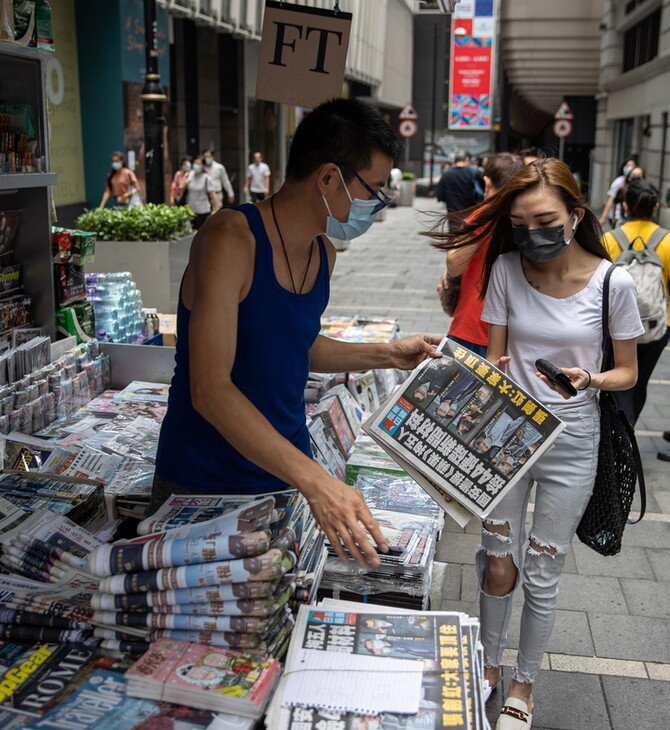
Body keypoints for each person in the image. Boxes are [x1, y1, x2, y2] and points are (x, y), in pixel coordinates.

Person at [152, 98, 442, 569]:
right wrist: (317, 481)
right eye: (374, 189)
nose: (379, 203)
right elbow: (209, 389)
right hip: (204, 484)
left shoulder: (323, 253)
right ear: (328, 178)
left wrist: (388, 353)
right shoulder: (231, 238)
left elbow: (298, 346)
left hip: (282, 475)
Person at [432, 158, 643, 729]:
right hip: (507, 435)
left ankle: (524, 681)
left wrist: (590, 380)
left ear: (575, 215)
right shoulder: (504, 267)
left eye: (545, 220)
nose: (533, 235)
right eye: (520, 225)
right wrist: (489, 373)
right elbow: (497, 351)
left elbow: (627, 372)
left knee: (543, 568)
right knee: (498, 563)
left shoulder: (612, 282)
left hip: (573, 438)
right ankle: (490, 665)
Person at [434, 152, 525, 356]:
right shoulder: (527, 218)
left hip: (474, 326)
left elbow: (454, 263)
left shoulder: (482, 217)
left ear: (487, 182)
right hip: (515, 332)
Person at [603, 178, 670, 427]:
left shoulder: (610, 239)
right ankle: (629, 428)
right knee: (640, 383)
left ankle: (619, 433)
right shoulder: (667, 240)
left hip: (615, 327)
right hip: (656, 326)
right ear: (654, 207)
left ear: (626, 207)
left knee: (619, 379)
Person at [434, 150, 484, 219]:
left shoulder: (446, 175)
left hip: (453, 217)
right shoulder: (475, 173)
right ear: (467, 159)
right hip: (472, 216)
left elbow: (440, 195)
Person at [181, 156, 220, 230]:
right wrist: (186, 182)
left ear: (203, 166)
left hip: (203, 209)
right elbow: (180, 189)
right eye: (195, 163)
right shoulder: (188, 175)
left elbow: (212, 194)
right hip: (191, 208)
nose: (196, 166)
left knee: (199, 230)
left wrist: (216, 208)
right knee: (193, 229)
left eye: (199, 164)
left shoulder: (206, 178)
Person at [598, 155, 638, 228]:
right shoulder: (619, 182)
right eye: (627, 165)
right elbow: (610, 199)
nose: (630, 168)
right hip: (618, 217)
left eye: (632, 166)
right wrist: (603, 217)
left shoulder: (636, 183)